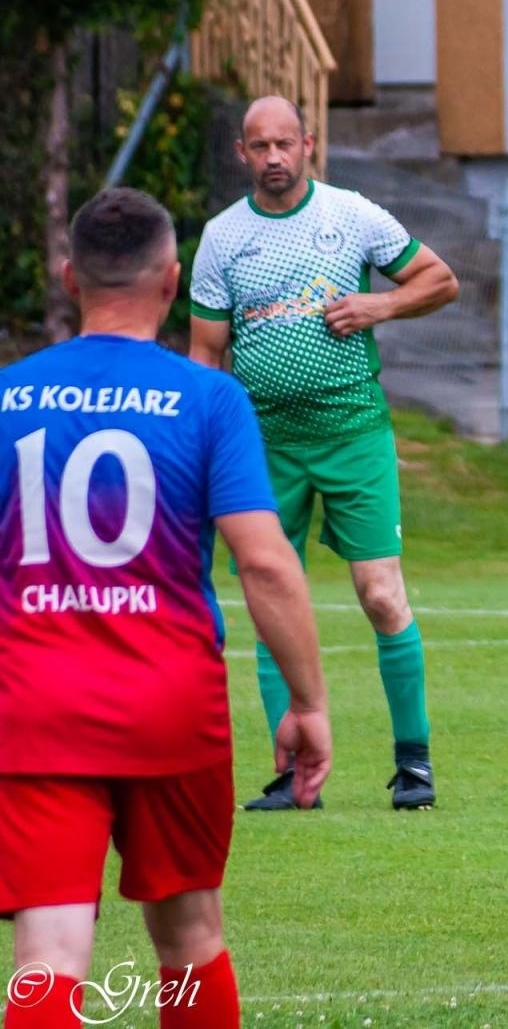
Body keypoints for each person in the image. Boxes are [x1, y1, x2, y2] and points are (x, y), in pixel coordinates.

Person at [0, 188, 331, 1028]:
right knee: (188, 937)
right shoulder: (209, 399)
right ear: (173, 281)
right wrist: (308, 703)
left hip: (34, 708)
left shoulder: (7, 396)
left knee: (49, 954)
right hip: (170, 707)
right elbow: (264, 560)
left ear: (70, 277)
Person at [189, 96, 458, 811]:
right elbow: (206, 353)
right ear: (241, 154)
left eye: (285, 143)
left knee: (379, 593)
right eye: (259, 146)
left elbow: (441, 279)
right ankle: (290, 774)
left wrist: (379, 306)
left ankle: (414, 764)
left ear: (309, 144)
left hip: (353, 432)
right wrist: (203, 447)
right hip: (262, 443)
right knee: (273, 598)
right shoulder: (221, 239)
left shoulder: (352, 216)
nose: (273, 156)